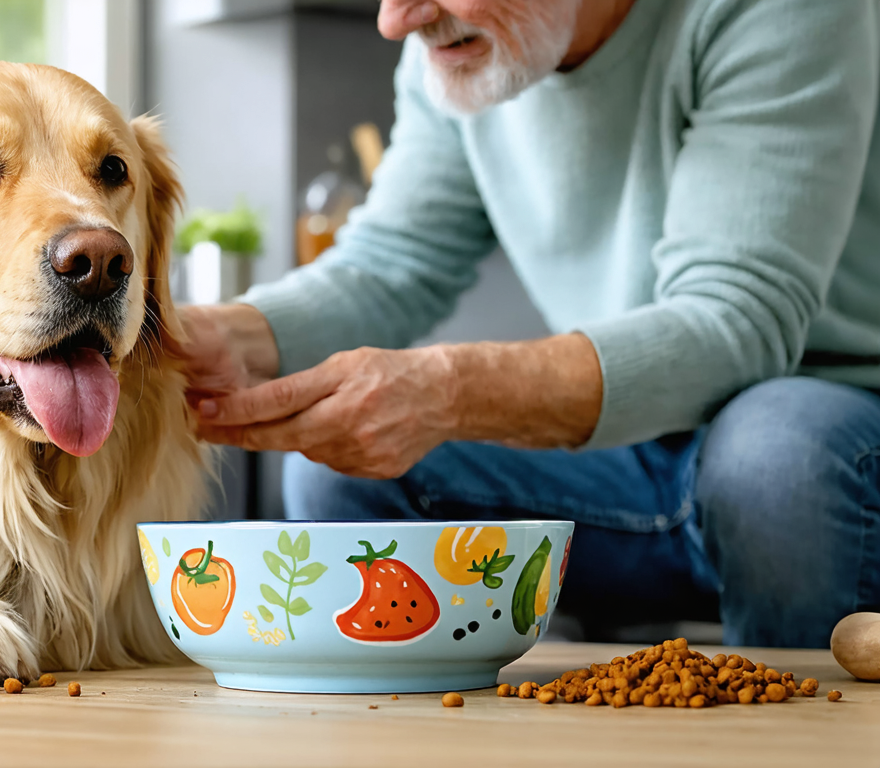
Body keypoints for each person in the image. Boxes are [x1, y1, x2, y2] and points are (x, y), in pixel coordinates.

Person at [177, 0, 880, 648]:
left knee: (773, 456)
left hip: (821, 446)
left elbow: (736, 319)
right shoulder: (459, 45)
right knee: (339, 480)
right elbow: (395, 260)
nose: (396, 20)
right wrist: (226, 334)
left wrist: (448, 390)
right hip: (630, 459)